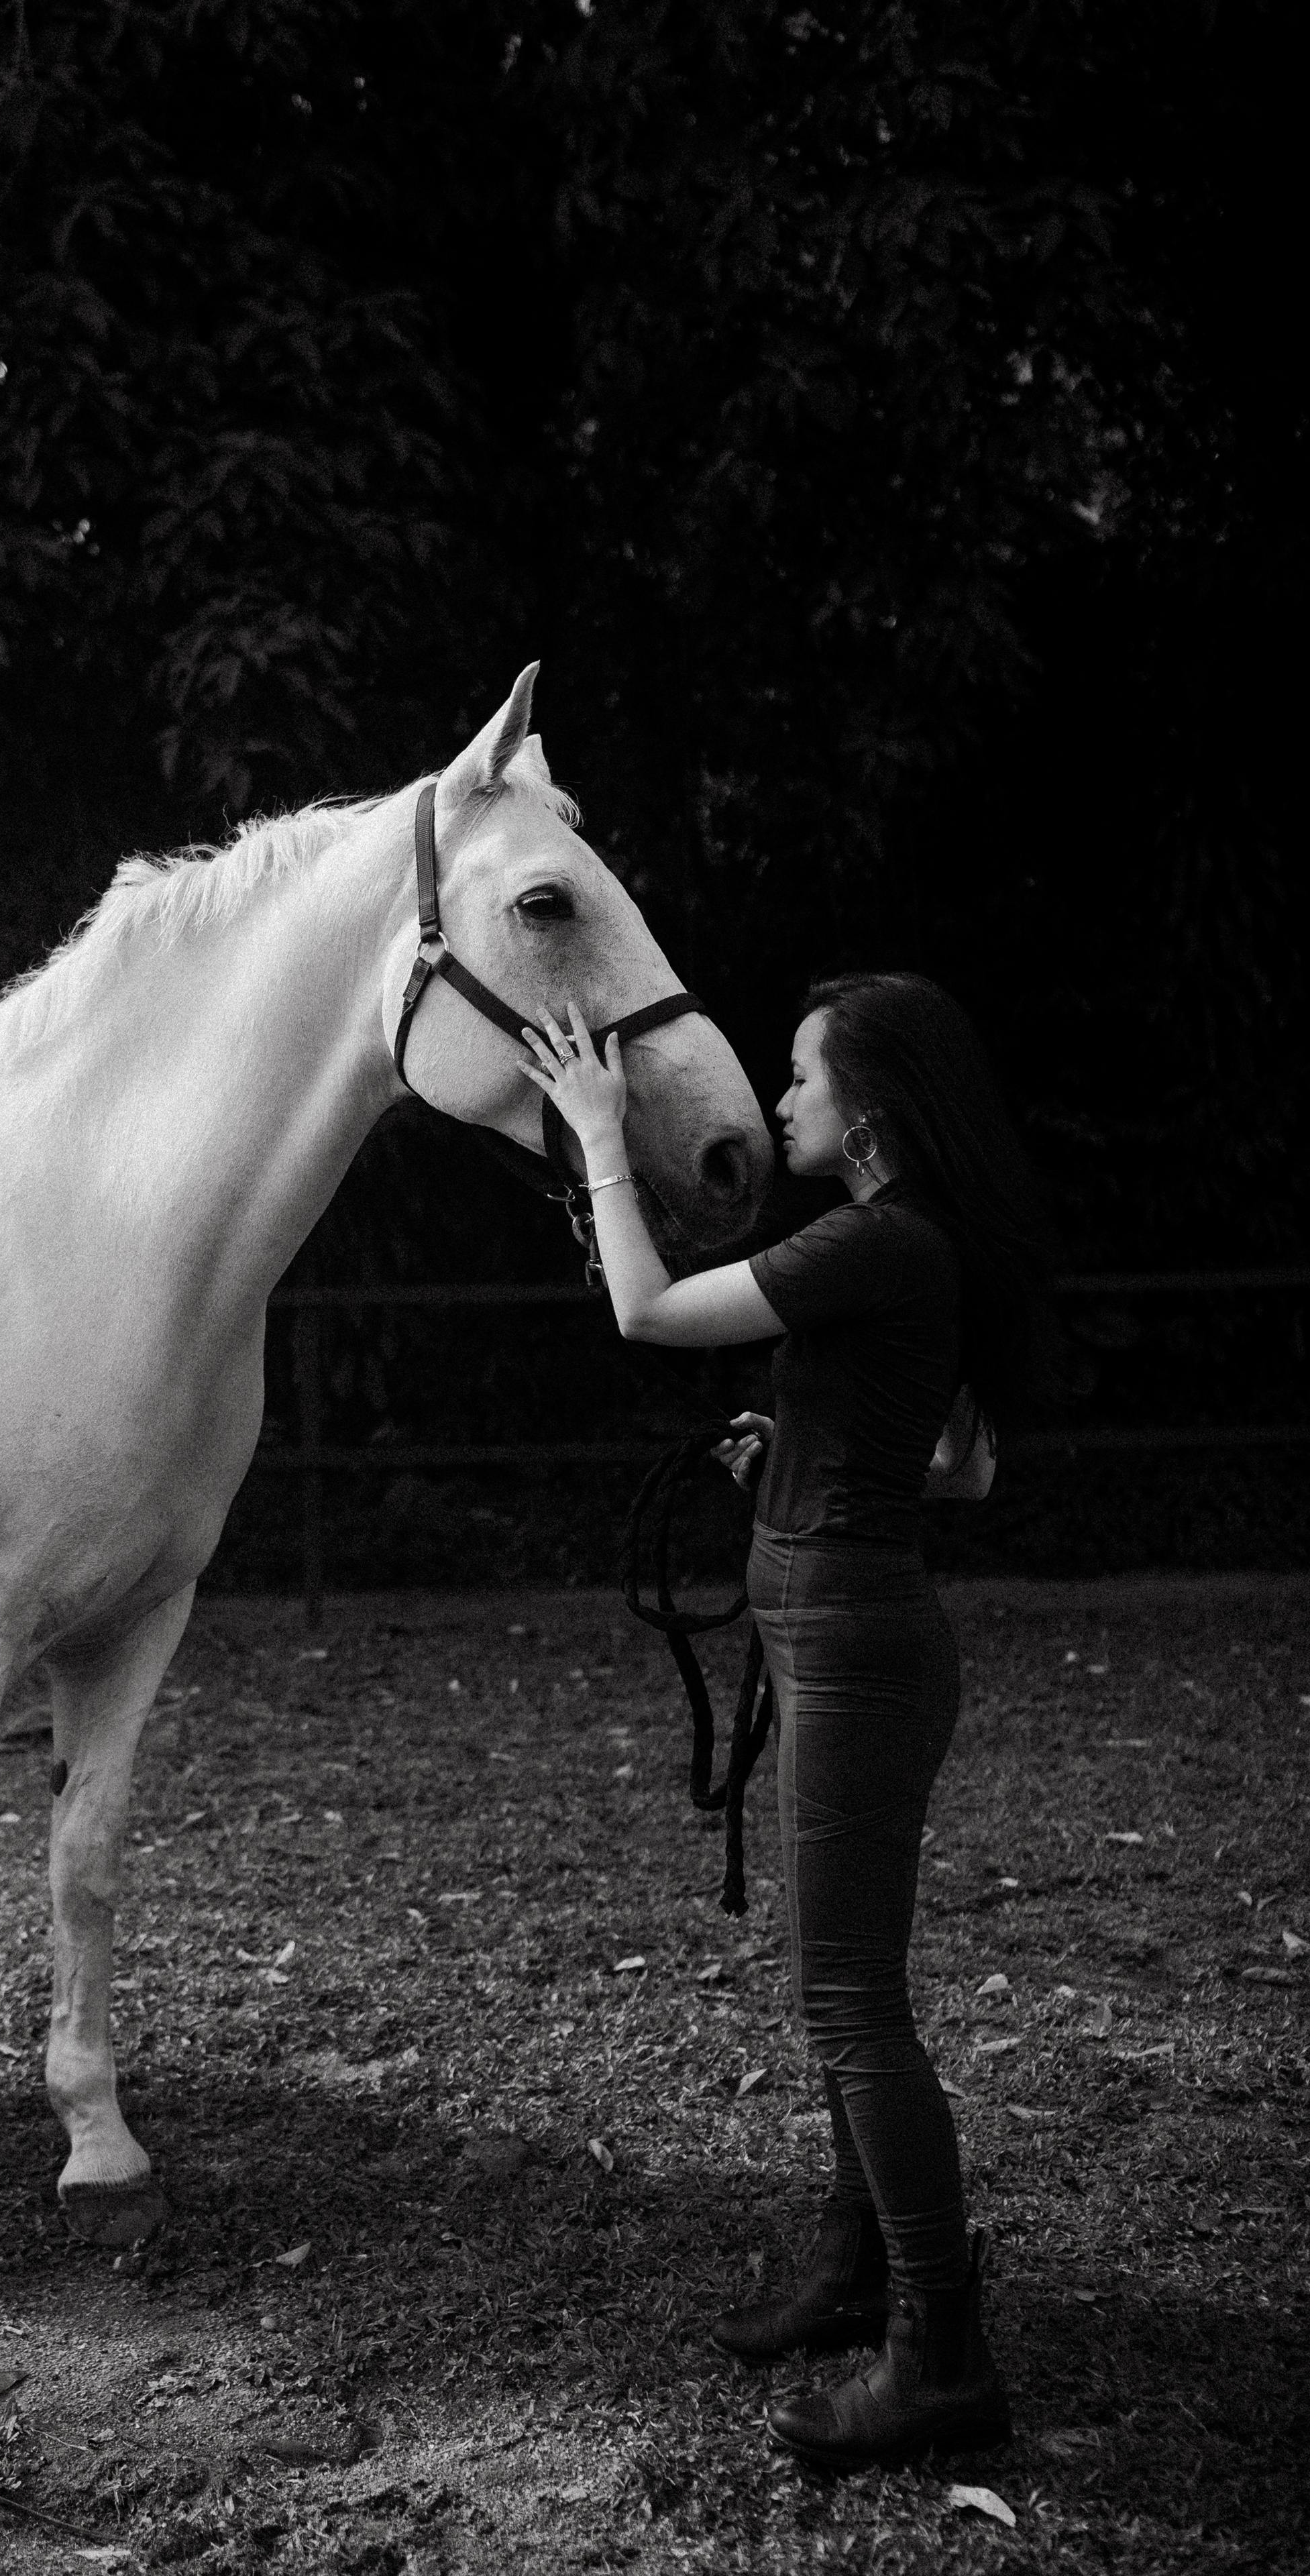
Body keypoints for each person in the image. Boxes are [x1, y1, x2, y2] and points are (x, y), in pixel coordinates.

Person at [518, 970, 1054, 2470]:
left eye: (803, 1082)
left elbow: (642, 1307)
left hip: (855, 1653)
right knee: (841, 1985)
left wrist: (595, 1131)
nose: (777, 1104)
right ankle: (854, 2266)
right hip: (845, 1632)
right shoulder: (911, 1247)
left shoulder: (872, 1239)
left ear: (868, 1111)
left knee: (854, 2009)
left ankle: (940, 2355)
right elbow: (961, 1475)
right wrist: (806, 1452)